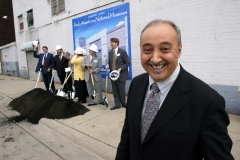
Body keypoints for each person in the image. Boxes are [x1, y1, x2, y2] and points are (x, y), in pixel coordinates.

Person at [115, 19, 234, 160]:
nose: (155, 59)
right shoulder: (136, 84)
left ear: (179, 50)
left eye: (165, 49)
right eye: (147, 50)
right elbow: (127, 137)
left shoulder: (207, 102)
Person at [106, 38, 130, 110]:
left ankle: (123, 103)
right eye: (110, 42)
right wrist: (108, 65)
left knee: (121, 90)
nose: (111, 44)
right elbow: (110, 62)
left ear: (116, 43)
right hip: (113, 75)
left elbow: (128, 63)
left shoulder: (122, 52)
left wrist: (121, 68)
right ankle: (117, 104)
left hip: (121, 75)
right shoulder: (110, 52)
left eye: (112, 42)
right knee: (115, 90)